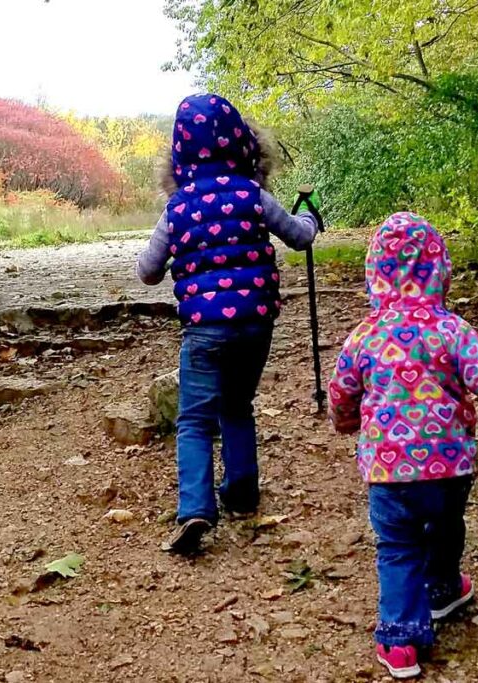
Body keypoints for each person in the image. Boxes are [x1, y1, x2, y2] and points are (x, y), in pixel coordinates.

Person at [327, 212, 478, 679]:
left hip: (389, 472)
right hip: (449, 465)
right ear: (439, 270)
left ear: (375, 272)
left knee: (398, 548)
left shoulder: (364, 336)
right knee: (447, 525)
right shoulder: (451, 329)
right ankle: (442, 588)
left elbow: (341, 393)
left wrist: (349, 423)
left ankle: (399, 640)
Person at [136, 93, 318, 554]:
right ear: (244, 144)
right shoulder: (252, 195)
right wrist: (311, 218)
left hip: (203, 330)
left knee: (195, 419)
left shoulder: (178, 208)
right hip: (256, 324)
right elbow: (299, 237)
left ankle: (195, 507)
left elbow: (148, 271)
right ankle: (241, 491)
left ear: (177, 154)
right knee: (237, 404)